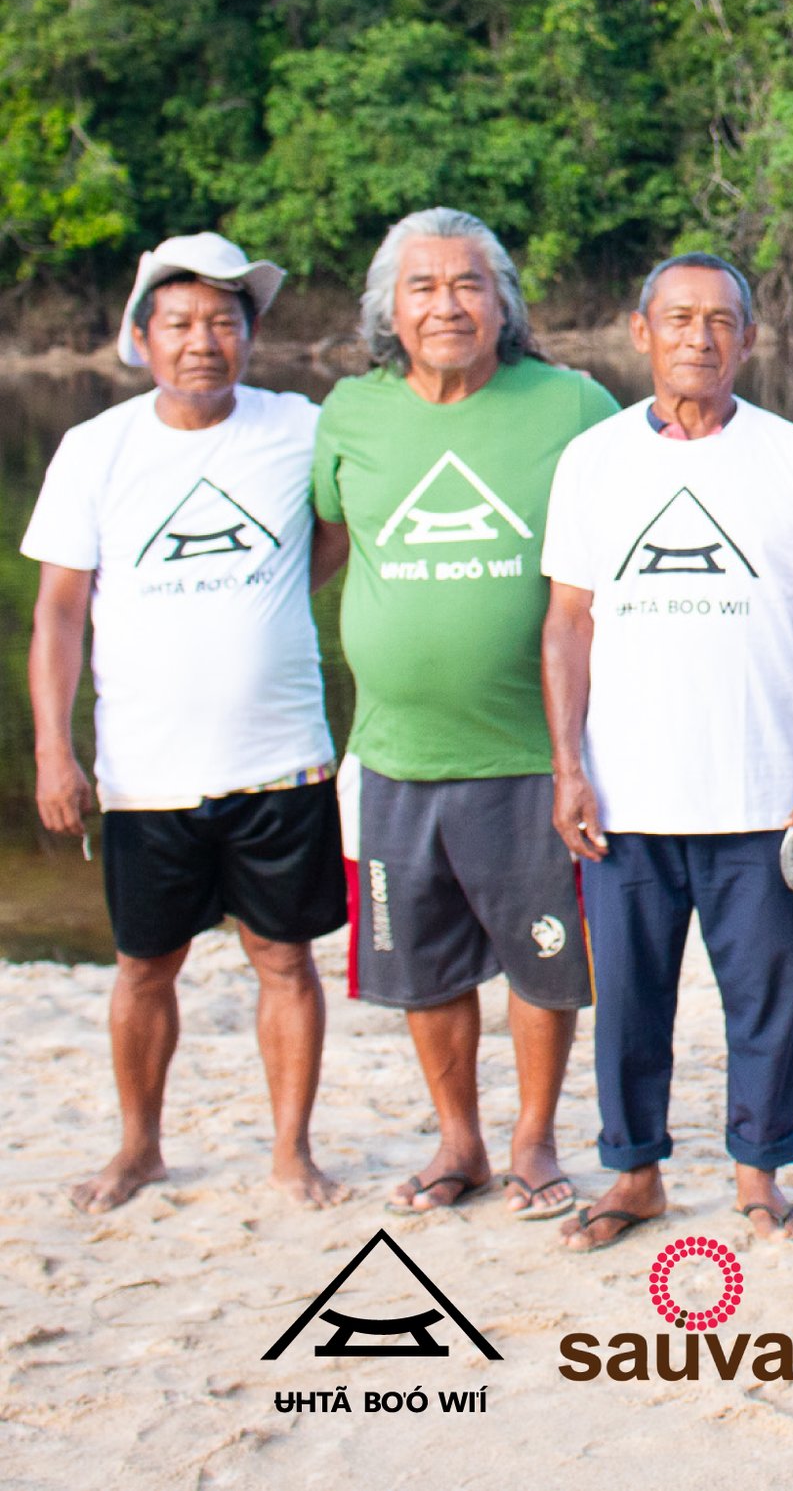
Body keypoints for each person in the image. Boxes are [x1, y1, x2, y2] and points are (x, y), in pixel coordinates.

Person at [23, 234, 352, 1215]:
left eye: (224, 321)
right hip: (142, 771)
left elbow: (338, 529)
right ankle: (140, 1148)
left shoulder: (301, 426)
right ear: (140, 337)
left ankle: (292, 1153)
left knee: (284, 961)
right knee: (143, 966)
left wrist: (276, 598)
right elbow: (58, 611)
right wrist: (54, 746)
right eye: (180, 323)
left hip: (282, 761)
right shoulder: (97, 449)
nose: (203, 341)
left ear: (251, 335)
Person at [539, 253, 793, 1250]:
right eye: (678, 319)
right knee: (629, 1001)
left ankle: (760, 1176)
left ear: (749, 339)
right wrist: (568, 768)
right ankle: (633, 1174)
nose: (699, 339)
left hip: (761, 793)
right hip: (627, 798)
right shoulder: (592, 461)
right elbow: (567, 623)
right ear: (641, 333)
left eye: (721, 321)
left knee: (766, 999)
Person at [312, 208, 617, 1220]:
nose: (447, 305)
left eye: (469, 285)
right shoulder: (350, 415)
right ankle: (461, 1142)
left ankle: (534, 1141)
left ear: (504, 304)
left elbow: (659, 491)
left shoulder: (570, 405)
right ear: (387, 311)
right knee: (423, 966)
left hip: (533, 749)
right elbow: (323, 535)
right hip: (396, 753)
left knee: (543, 958)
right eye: (423, 287)